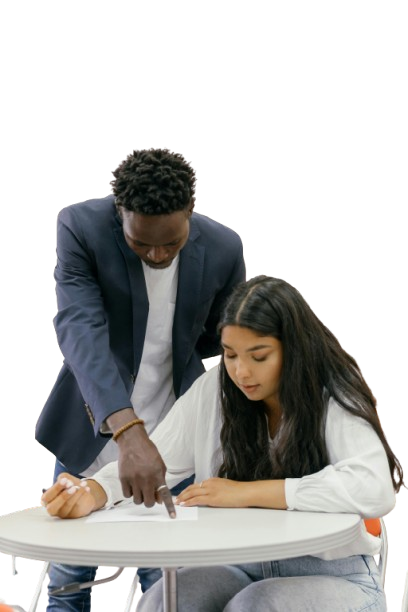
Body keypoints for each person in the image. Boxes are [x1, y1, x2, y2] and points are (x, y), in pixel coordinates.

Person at [42, 275, 405, 611]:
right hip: (241, 567)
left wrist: (245, 493)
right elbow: (157, 459)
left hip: (335, 576)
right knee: (163, 602)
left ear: (294, 348)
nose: (241, 372)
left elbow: (374, 487)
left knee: (256, 605)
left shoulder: (333, 391)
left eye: (259, 356)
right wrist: (94, 491)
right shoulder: (215, 389)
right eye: (230, 354)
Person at [35, 147, 246, 611]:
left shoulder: (225, 247)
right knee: (69, 583)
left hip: (174, 444)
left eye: (171, 244)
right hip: (92, 432)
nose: (157, 254)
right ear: (119, 213)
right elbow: (80, 329)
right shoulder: (80, 226)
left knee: (167, 584)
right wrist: (129, 433)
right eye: (141, 244)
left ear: (190, 211)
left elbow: (223, 338)